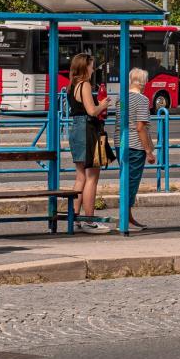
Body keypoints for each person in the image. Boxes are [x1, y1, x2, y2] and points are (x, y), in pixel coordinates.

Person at [67, 54, 111, 233]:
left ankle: (75, 218)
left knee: (80, 177)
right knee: (92, 176)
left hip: (76, 129)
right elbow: (92, 111)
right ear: (85, 67)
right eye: (92, 66)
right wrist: (103, 104)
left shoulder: (72, 85)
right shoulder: (84, 84)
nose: (94, 70)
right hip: (87, 129)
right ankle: (89, 220)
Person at [117, 67, 157, 234]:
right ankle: (125, 219)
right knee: (131, 183)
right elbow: (141, 127)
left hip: (121, 143)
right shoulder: (142, 100)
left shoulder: (122, 98)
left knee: (125, 180)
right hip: (135, 145)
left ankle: (128, 217)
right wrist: (148, 150)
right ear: (143, 82)